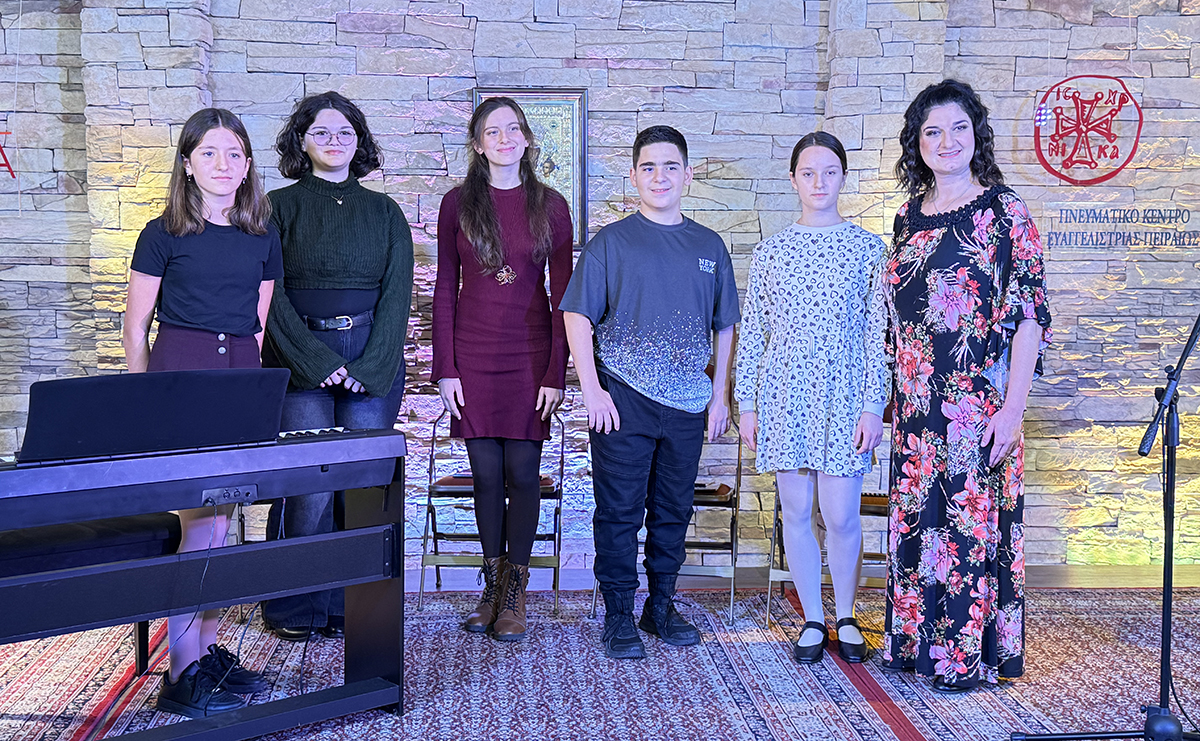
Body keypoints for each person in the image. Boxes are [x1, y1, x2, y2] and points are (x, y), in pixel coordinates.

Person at [881, 79, 1052, 693]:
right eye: (932, 131)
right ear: (917, 143)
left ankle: (963, 657)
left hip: (977, 405)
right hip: (915, 406)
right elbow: (898, 320)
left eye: (958, 128)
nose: (946, 141)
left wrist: (1013, 410)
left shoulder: (1006, 212)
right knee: (918, 524)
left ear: (976, 135)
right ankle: (916, 645)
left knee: (966, 530)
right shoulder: (907, 217)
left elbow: (1029, 317)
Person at [123, 108, 281, 717]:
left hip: (238, 380)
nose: (223, 163)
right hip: (180, 378)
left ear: (247, 165)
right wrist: (143, 403)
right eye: (209, 152)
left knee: (223, 524)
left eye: (234, 153)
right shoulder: (162, 233)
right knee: (198, 525)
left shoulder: (262, 235)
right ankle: (180, 671)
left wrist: (250, 396)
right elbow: (136, 327)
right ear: (187, 164)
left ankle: (206, 654)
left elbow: (257, 324)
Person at [561, 125, 740, 660]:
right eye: (648, 167)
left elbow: (725, 325)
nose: (659, 176)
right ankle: (619, 613)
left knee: (673, 510)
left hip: (687, 402)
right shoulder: (611, 242)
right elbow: (576, 316)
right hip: (623, 399)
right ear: (634, 176)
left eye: (670, 167)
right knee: (619, 511)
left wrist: (720, 395)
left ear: (687, 175)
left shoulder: (709, 246)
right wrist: (593, 390)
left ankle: (660, 606)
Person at [260, 91, 414, 642]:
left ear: (359, 142)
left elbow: (398, 297)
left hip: (371, 359)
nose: (334, 141)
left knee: (361, 487)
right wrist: (315, 359)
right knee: (309, 487)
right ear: (301, 142)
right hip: (297, 358)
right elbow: (269, 294)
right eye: (321, 132)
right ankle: (294, 604)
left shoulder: (385, 212)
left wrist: (371, 367)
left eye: (345, 132)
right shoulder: (276, 207)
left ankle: (350, 601)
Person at [734, 132, 888, 665]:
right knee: (797, 511)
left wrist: (873, 404)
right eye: (808, 172)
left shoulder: (869, 249)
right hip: (784, 393)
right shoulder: (772, 251)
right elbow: (754, 333)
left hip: (844, 393)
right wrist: (747, 404)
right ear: (793, 179)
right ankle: (813, 619)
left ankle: (846, 614)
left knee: (841, 515)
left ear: (844, 177)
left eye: (829, 171)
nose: (819, 182)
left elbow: (877, 336)